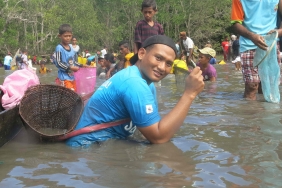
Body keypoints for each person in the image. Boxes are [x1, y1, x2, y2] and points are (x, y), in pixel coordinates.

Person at [66, 35, 204, 147]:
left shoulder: (145, 83)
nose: (162, 67)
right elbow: (158, 137)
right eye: (158, 58)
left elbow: (151, 125)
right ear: (142, 53)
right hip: (87, 146)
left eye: (169, 64)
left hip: (104, 142)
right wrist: (189, 94)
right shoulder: (134, 83)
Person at [231, 0, 282, 100]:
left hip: (271, 44)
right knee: (252, 86)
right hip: (248, 44)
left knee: (269, 85)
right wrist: (252, 36)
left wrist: (279, 31)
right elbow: (235, 23)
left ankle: (266, 114)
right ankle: (251, 114)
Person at [53, 24, 83, 92]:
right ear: (60, 36)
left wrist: (82, 65)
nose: (68, 38)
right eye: (65, 36)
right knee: (68, 96)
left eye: (69, 36)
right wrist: (70, 68)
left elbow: (73, 61)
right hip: (64, 78)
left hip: (72, 77)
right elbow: (58, 63)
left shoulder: (71, 47)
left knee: (75, 95)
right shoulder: (59, 48)